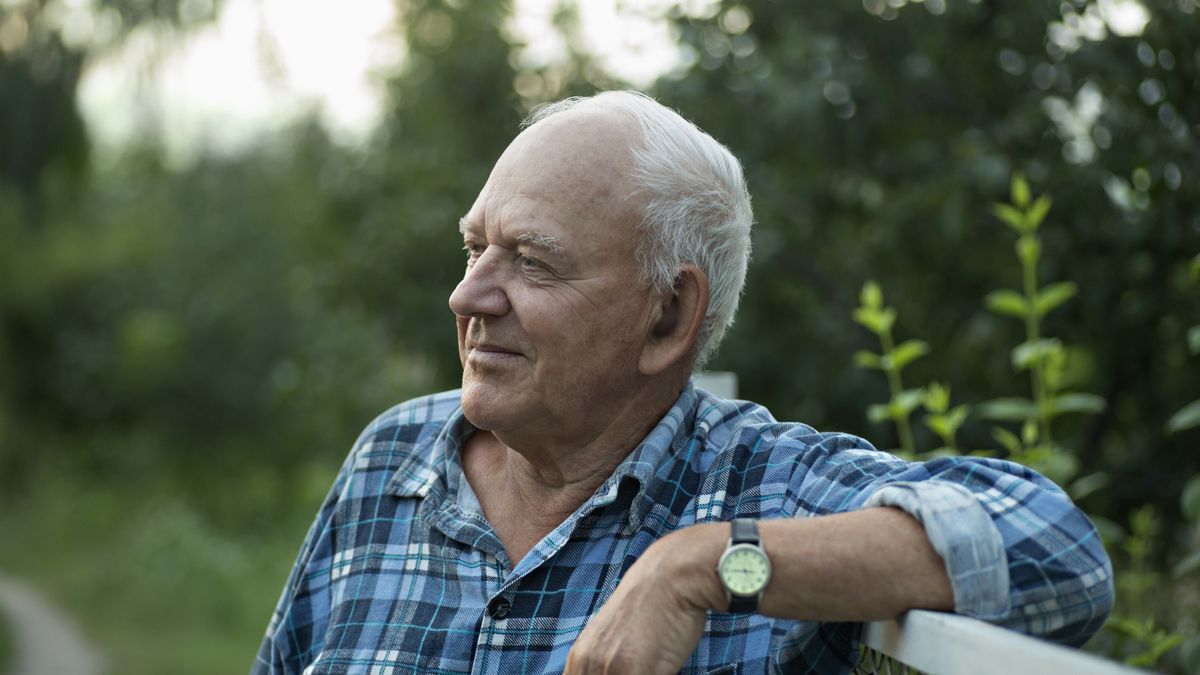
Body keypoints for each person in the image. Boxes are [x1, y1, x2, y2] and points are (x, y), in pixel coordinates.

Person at [252, 91, 1113, 675]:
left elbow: (1060, 552)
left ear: (667, 317)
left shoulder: (759, 485)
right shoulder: (390, 458)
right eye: (475, 248)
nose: (468, 295)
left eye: (532, 261)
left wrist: (700, 564)